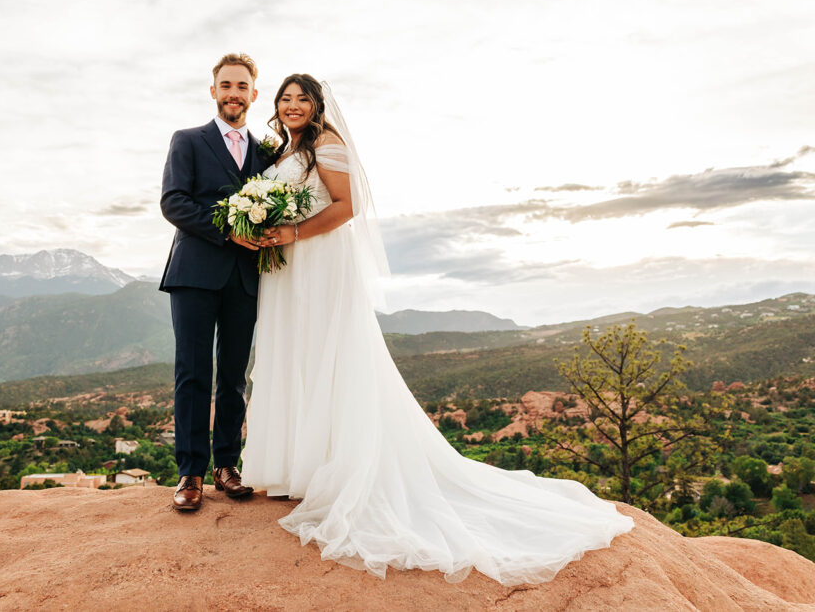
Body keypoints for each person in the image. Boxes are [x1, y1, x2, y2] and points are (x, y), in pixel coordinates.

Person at [240, 74, 635, 585]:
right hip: (288, 268)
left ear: (317, 106)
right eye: (285, 99)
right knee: (294, 355)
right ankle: (299, 467)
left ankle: (332, 467)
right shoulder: (282, 151)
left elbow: (346, 208)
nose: (293, 106)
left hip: (318, 263)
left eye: (302, 99)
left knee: (325, 354)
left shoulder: (327, 144)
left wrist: (290, 231)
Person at [159, 53, 270, 511]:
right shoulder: (188, 141)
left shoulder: (267, 153)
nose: (233, 94)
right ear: (213, 91)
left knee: (234, 378)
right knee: (193, 374)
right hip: (194, 274)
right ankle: (190, 474)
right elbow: (174, 203)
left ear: (253, 95)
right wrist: (230, 228)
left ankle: (227, 465)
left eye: (241, 86)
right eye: (225, 85)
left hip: (245, 279)